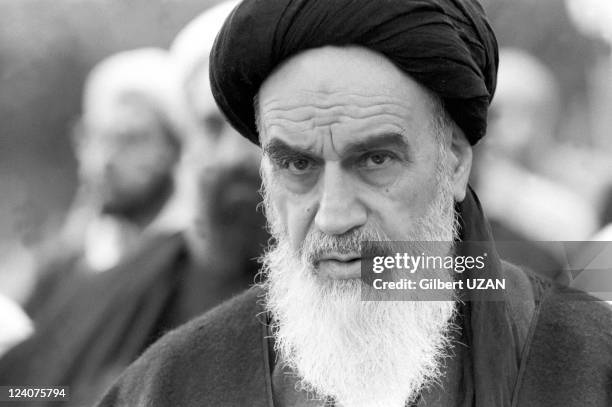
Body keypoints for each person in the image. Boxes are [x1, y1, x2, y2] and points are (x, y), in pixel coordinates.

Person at [97, 1, 612, 406]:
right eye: (298, 166)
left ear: (454, 160)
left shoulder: (592, 365)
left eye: (375, 160)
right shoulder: (170, 385)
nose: (334, 216)